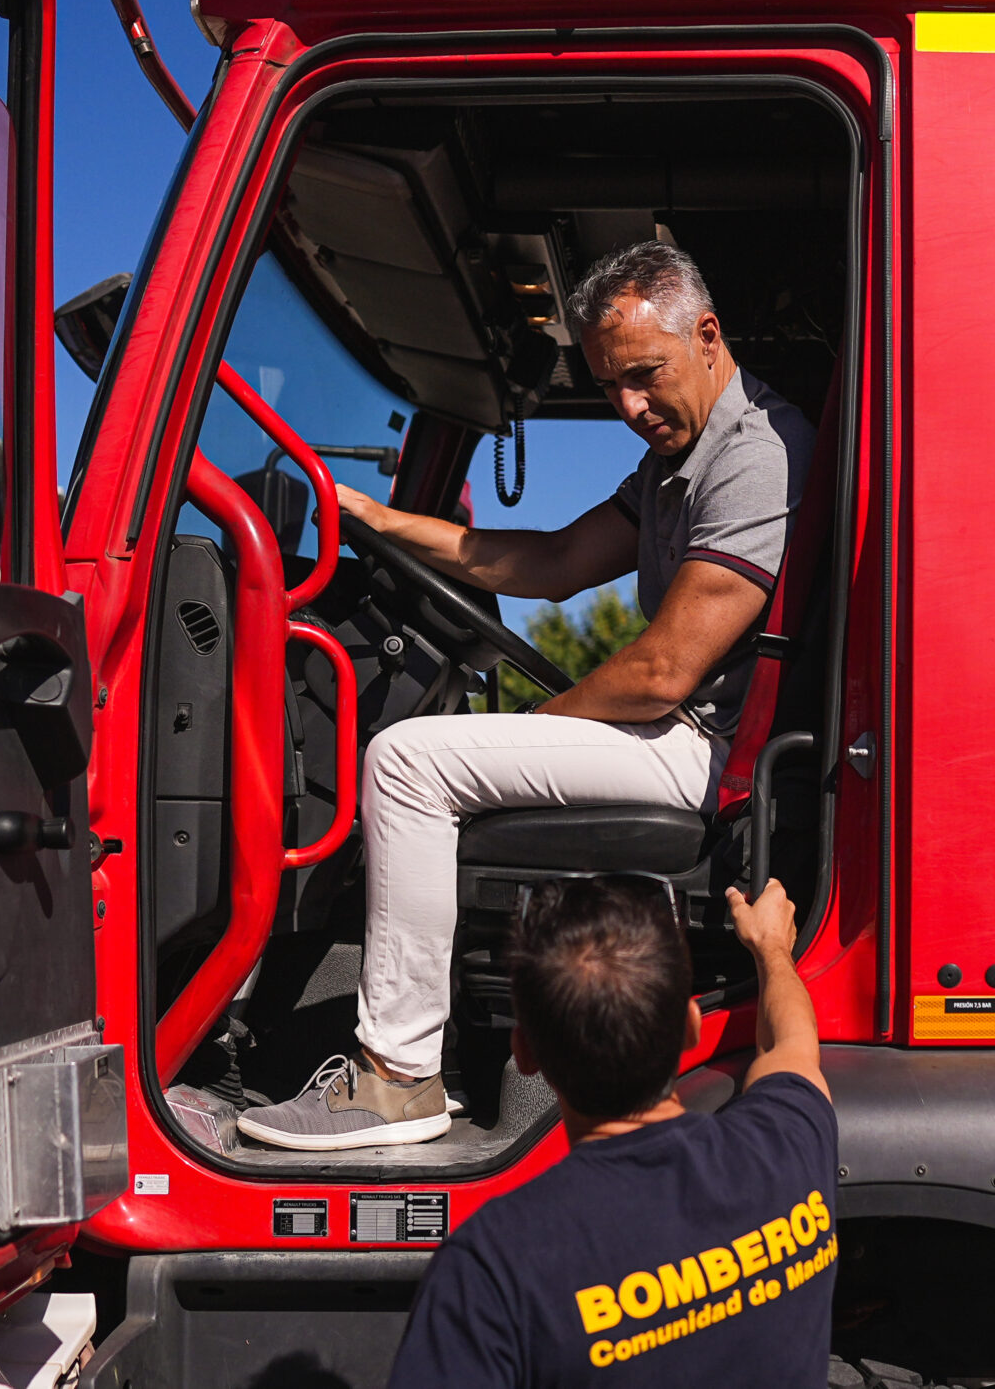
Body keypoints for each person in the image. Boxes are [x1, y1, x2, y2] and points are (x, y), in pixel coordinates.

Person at [240, 242, 816, 1151]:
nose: (629, 407)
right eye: (608, 385)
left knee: (407, 762)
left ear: (707, 336)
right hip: (679, 729)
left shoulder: (752, 455)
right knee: (436, 756)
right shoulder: (677, 460)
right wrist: (380, 519)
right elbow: (550, 563)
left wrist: (532, 729)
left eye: (644, 376)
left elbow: (663, 670)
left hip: (707, 748)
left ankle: (397, 1077)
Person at [386, 876, 837, 1387]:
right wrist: (772, 948)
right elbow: (792, 1045)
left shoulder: (494, 1267)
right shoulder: (788, 1147)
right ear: (691, 1027)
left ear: (525, 1054)